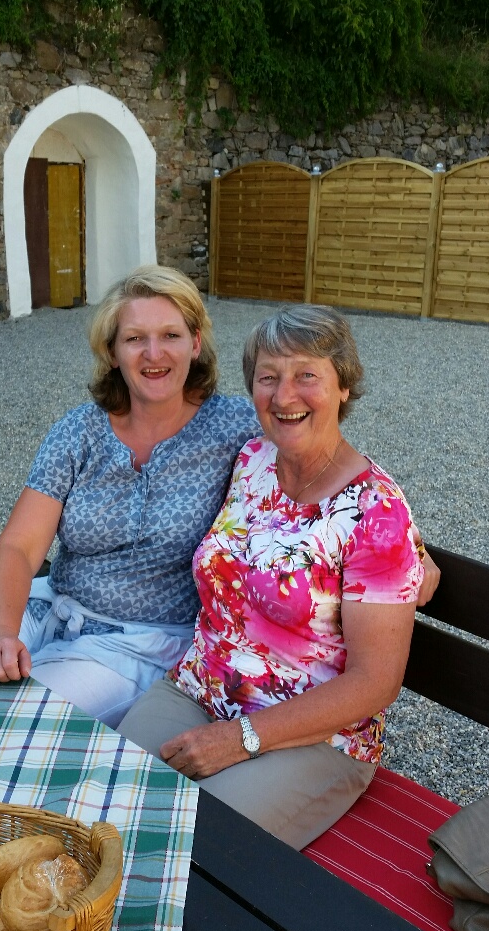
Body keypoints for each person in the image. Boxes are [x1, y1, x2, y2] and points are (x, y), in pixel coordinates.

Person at [118, 304, 426, 849]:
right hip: (196, 690)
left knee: (193, 848)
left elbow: (376, 681)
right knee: (101, 799)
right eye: (268, 377)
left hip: (314, 737)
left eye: (306, 375)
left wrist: (240, 737)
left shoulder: (377, 512)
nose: (284, 396)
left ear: (343, 386)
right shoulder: (252, 461)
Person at [0, 265, 259, 727]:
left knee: (8, 720)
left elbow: (318, 465)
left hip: (141, 644)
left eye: (170, 335)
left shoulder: (237, 428)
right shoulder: (80, 429)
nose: (153, 353)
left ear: (195, 343)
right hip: (48, 607)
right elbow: (21, 546)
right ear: (112, 352)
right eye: (135, 338)